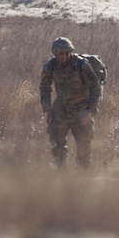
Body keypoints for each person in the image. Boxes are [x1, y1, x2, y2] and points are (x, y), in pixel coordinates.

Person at [39, 36, 100, 168]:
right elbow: (44, 88)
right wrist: (48, 110)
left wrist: (89, 110)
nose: (60, 57)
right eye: (57, 54)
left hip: (81, 108)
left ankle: (83, 177)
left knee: (83, 146)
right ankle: (59, 173)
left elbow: (95, 87)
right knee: (56, 142)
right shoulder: (50, 66)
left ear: (69, 52)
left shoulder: (82, 65)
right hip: (61, 107)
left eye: (62, 54)